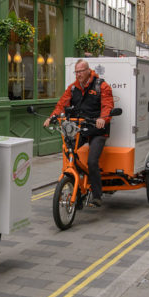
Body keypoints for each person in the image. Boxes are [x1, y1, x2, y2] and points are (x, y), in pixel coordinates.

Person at [43, 59, 114, 208]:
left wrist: (103, 118)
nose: (78, 74)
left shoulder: (102, 86)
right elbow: (62, 104)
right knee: (70, 156)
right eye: (76, 72)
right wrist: (52, 117)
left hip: (97, 130)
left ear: (88, 71)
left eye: (81, 71)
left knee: (92, 161)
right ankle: (79, 190)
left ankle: (97, 195)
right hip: (79, 129)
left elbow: (107, 105)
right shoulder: (73, 88)